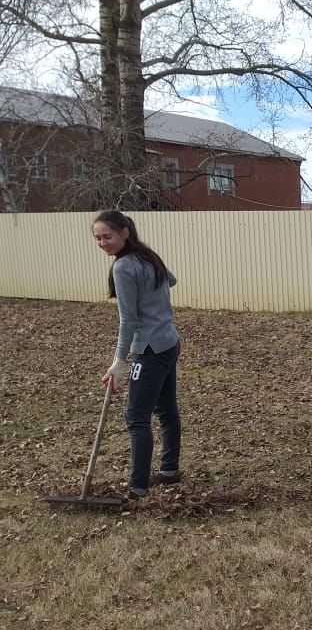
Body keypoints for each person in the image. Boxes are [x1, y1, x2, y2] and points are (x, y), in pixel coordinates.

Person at [93, 210, 183, 500]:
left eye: (107, 236)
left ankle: (138, 488)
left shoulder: (123, 267)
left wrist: (120, 361)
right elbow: (170, 281)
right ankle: (169, 471)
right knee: (167, 410)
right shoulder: (148, 256)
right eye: (98, 238)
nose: (103, 242)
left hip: (150, 350)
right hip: (169, 342)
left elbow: (127, 320)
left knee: (136, 417)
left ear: (124, 232)